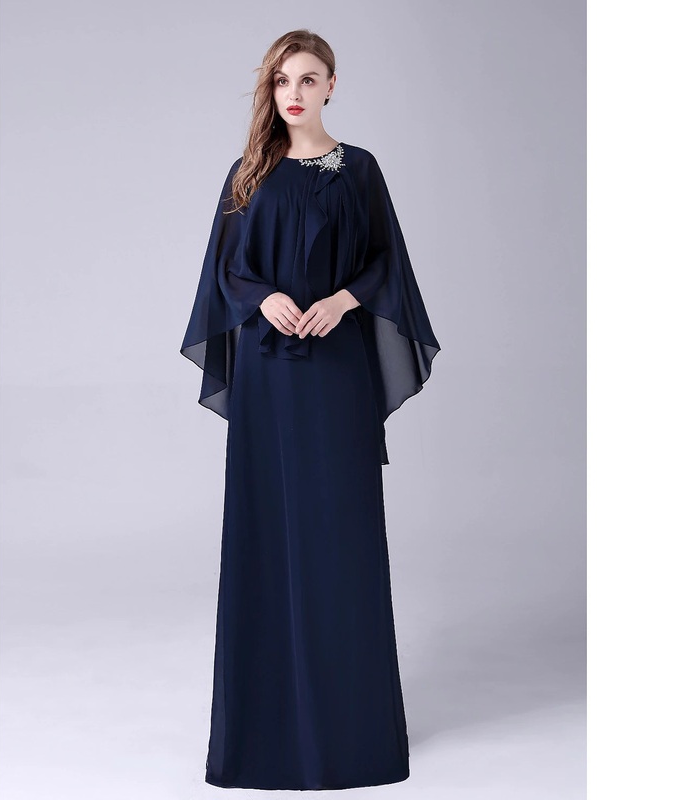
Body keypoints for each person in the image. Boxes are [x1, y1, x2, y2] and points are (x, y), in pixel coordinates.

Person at [180, 28, 441, 791]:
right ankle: (261, 733)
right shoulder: (249, 173)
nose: (293, 92)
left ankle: (352, 733)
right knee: (266, 535)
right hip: (269, 378)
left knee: (340, 539)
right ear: (271, 90)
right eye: (281, 80)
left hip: (335, 373)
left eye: (307, 78)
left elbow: (388, 263)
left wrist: (342, 299)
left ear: (331, 85)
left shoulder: (358, 169)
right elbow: (225, 272)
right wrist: (266, 298)